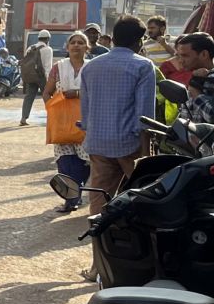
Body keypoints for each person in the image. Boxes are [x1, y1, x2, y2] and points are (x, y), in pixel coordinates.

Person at [78, 16, 157, 282]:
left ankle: (97, 266)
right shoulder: (143, 66)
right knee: (140, 202)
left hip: (98, 142)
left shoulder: (91, 67)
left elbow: (85, 113)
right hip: (129, 144)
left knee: (98, 205)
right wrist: (146, 157)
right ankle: (143, 264)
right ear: (139, 40)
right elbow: (144, 115)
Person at [45, 32, 91, 213]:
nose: (76, 45)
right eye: (73, 42)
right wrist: (54, 111)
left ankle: (76, 195)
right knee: (65, 163)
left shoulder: (92, 67)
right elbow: (47, 92)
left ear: (87, 48)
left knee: (85, 162)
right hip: (62, 124)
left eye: (81, 43)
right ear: (67, 47)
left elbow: (98, 93)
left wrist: (78, 94)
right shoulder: (58, 67)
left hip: (85, 123)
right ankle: (70, 199)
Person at [19, 30, 53, 126]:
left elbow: (26, 63)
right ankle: (51, 117)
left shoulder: (30, 48)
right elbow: (48, 66)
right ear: (48, 39)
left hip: (31, 76)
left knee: (29, 96)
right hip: (41, 77)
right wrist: (49, 80)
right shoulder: (48, 49)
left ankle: (23, 118)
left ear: (38, 38)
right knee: (47, 96)